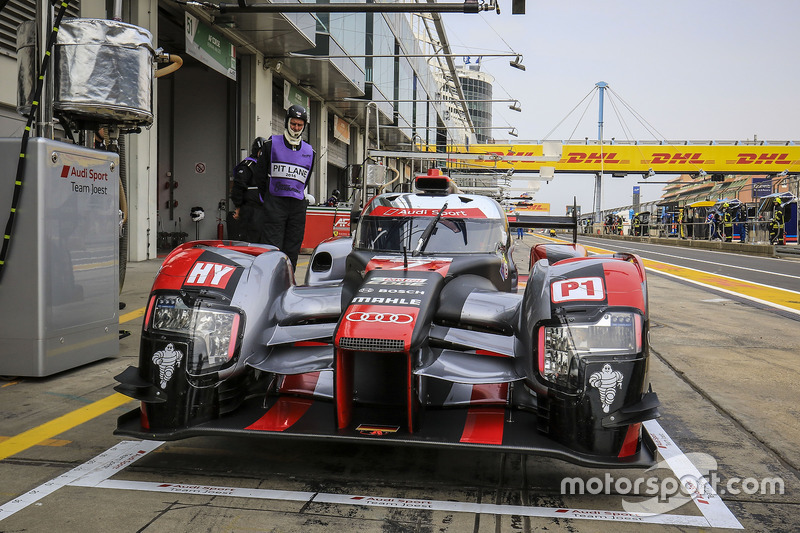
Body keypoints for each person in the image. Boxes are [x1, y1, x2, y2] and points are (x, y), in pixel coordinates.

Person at [253, 105, 316, 270]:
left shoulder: (310, 152)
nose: (296, 128)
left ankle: (289, 283)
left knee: (293, 248)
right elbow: (259, 175)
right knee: (272, 248)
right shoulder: (271, 144)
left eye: (299, 125)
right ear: (287, 122)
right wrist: (267, 197)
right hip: (275, 204)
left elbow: (305, 180)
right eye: (293, 124)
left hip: (296, 207)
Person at [230, 136, 267, 242]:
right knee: (250, 239)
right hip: (250, 210)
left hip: (263, 210)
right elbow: (238, 186)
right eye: (263, 152)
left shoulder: (264, 166)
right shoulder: (248, 166)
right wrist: (238, 206)